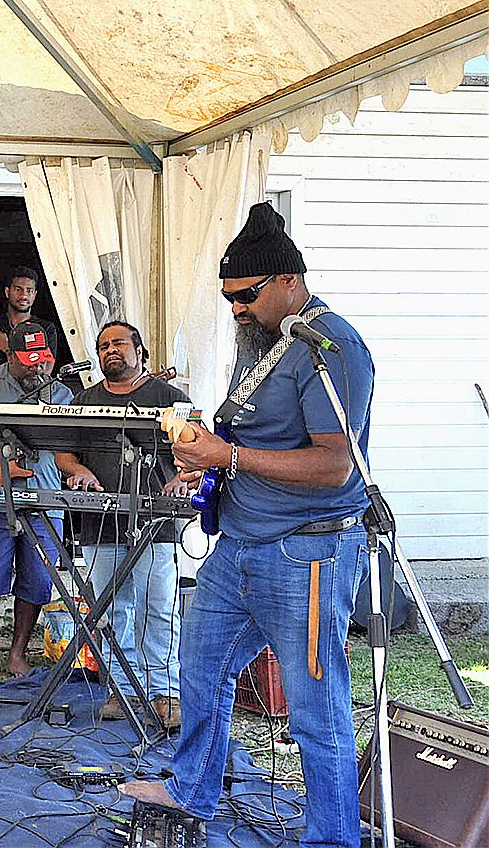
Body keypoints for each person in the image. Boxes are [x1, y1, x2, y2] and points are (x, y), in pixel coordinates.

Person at [121, 203, 373, 848]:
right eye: (228, 297)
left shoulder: (330, 347)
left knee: (315, 711)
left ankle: (332, 838)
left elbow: (334, 467)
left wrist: (226, 455)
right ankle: (192, 787)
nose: (236, 308)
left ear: (289, 281)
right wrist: (205, 458)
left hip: (307, 551)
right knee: (200, 671)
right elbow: (259, 437)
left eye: (247, 295)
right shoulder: (264, 342)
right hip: (240, 544)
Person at [53, 321, 192, 729]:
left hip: (156, 523)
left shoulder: (169, 398)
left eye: (118, 343)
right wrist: (79, 472)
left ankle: (166, 694)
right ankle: (123, 690)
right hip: (100, 524)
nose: (109, 350)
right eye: (102, 346)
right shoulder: (83, 400)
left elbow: (193, 450)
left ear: (140, 350)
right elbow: (65, 455)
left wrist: (180, 477)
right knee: (111, 610)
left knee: (159, 608)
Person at [0, 319, 72, 676]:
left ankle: (17, 651)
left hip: (45, 499)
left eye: (43, 359)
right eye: (27, 359)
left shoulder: (61, 393)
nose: (36, 366)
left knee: (38, 578)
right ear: (9, 353)